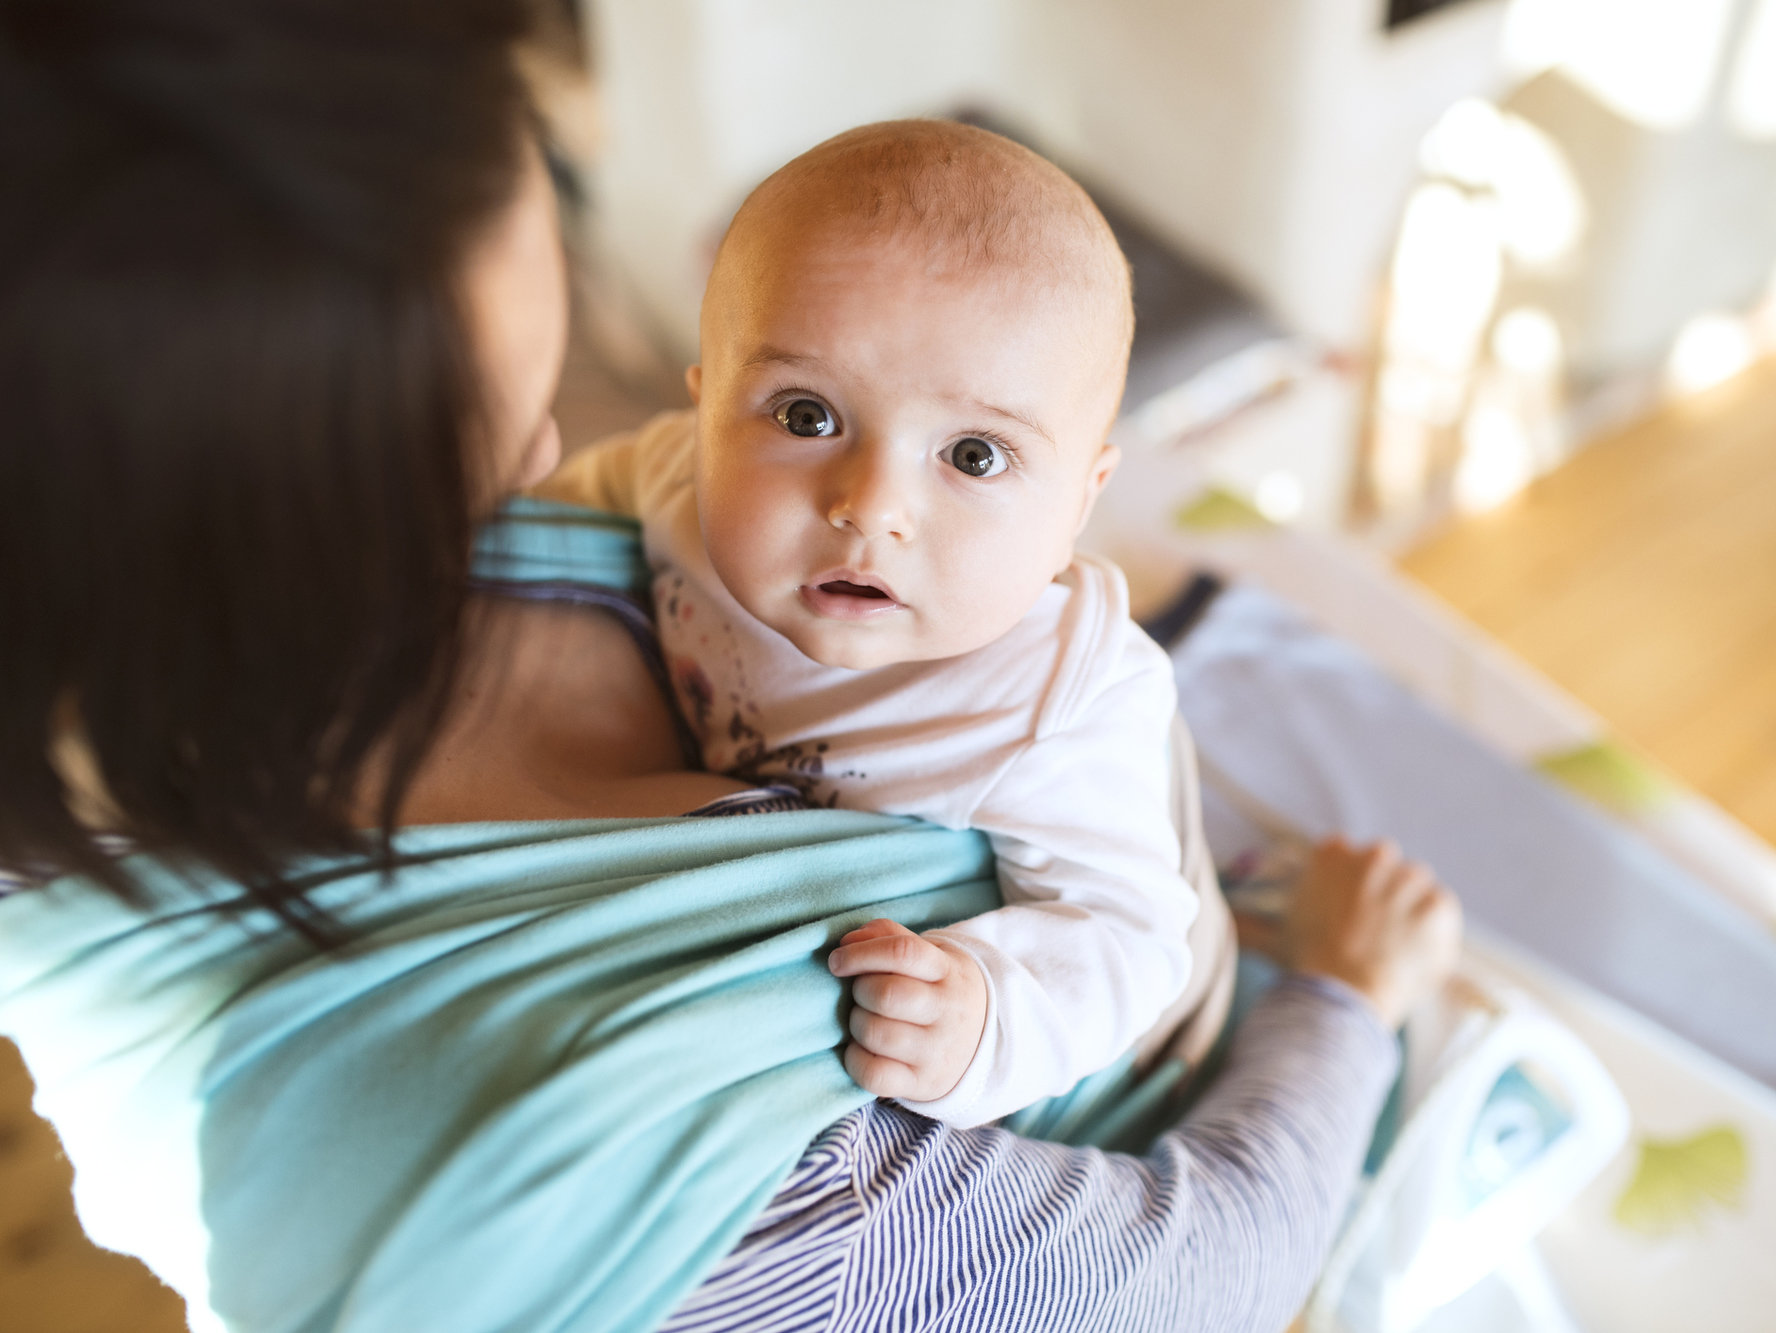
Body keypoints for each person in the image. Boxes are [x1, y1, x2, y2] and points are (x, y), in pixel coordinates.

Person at [0, 3, 1461, 1330]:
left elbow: (1120, 916)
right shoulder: (671, 1232)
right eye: (795, 413)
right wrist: (1341, 1000)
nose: (540, 461)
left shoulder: (1042, 694)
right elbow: (1217, 1266)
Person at [539, 120, 1213, 1129]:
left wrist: (982, 1012)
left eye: (974, 456)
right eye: (805, 416)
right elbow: (565, 511)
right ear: (708, 408)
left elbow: (1129, 939)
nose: (869, 505)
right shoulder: (677, 478)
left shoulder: (1058, 701)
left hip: (1148, 1002)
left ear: (1081, 497)